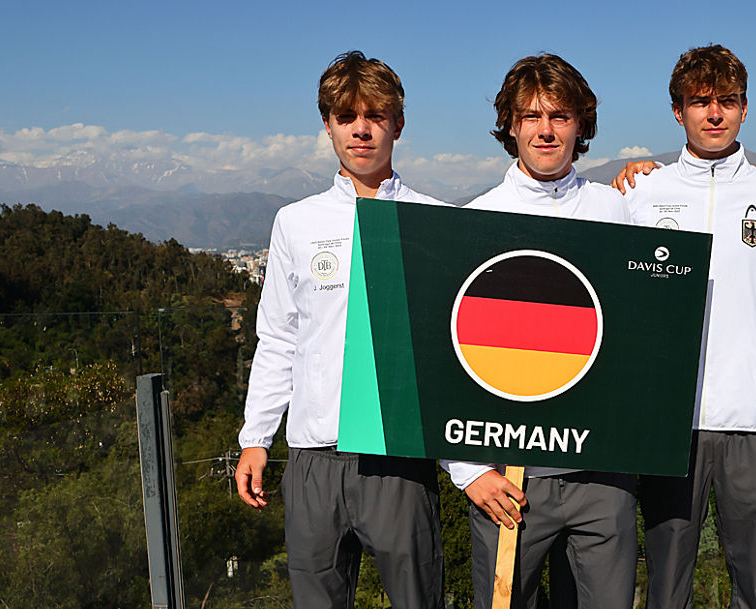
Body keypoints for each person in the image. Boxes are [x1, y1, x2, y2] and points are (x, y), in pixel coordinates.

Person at [235, 50, 446, 609]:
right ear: (327, 124)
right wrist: (255, 439)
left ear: (398, 123)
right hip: (312, 457)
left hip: (399, 457)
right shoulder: (295, 222)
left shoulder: (434, 220)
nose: (361, 129)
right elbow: (277, 337)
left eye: (375, 115)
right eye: (346, 116)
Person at [616, 44, 756, 609]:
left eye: (726, 101)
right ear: (678, 111)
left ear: (745, 108)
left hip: (755, 420)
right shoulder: (641, 192)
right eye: (700, 102)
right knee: (666, 583)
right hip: (668, 423)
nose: (714, 114)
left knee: (754, 584)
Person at [442, 53, 635, 609]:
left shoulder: (617, 213)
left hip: (604, 473)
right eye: (530, 116)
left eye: (560, 115)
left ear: (582, 125)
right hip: (508, 477)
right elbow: (447, 359)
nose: (546, 130)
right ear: (510, 125)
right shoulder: (475, 221)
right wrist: (468, 471)